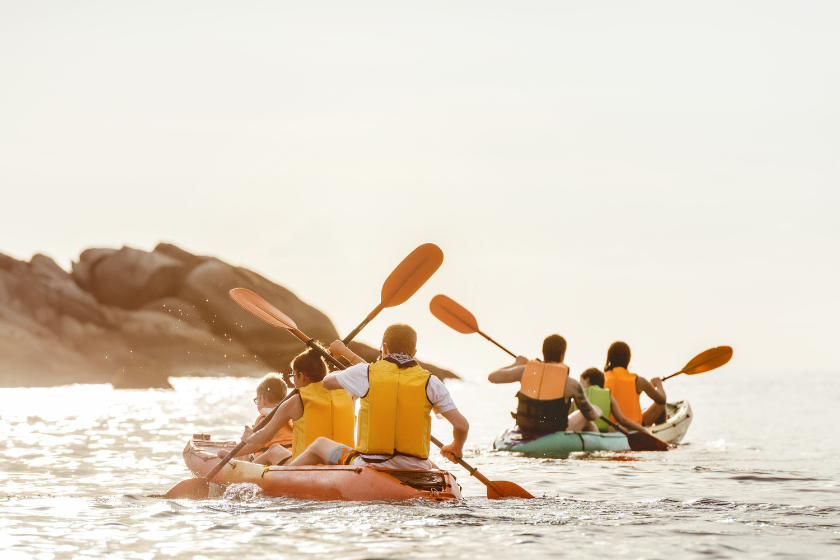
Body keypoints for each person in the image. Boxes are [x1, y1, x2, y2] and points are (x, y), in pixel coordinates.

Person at [286, 323, 470, 469]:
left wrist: (351, 373)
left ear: (383, 347)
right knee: (431, 464)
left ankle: (283, 478)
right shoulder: (431, 382)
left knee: (319, 444)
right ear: (414, 353)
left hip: (370, 464)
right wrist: (456, 447)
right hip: (415, 465)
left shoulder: (365, 373)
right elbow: (462, 426)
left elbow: (326, 382)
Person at [235, 348, 356, 465]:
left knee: (275, 449)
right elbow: (364, 372)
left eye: (293, 377)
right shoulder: (349, 394)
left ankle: (239, 471)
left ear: (301, 376)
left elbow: (264, 436)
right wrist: (346, 352)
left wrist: (250, 436)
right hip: (345, 464)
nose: (293, 383)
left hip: (305, 467)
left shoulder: (296, 401)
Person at [487, 334, 601, 433]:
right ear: (563, 354)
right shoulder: (572, 384)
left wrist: (516, 364)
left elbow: (492, 377)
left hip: (525, 428)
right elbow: (590, 415)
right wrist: (598, 411)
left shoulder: (524, 371)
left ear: (543, 352)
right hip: (553, 432)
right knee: (584, 415)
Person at [603, 341, 666, 427]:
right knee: (661, 405)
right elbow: (662, 400)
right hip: (633, 427)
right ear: (628, 359)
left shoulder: (602, 378)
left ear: (609, 358)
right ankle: (661, 431)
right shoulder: (638, 380)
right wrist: (658, 383)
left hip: (609, 428)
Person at [568, 368, 647, 433]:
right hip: (601, 433)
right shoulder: (609, 398)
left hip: (581, 432)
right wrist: (642, 428)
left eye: (581, 381)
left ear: (588, 380)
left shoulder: (578, 397)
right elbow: (623, 420)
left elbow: (569, 417)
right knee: (616, 427)